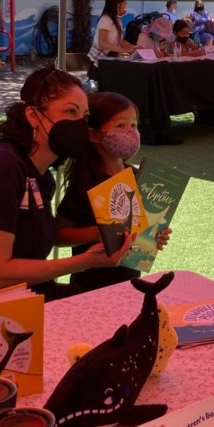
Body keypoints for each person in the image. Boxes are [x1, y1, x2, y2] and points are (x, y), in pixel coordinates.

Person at [0, 67, 132, 307]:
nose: (79, 125)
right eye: (70, 111)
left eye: (84, 116)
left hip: (26, 299)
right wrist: (85, 261)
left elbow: (48, 237)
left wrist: (107, 234)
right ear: (33, 116)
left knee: (116, 303)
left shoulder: (41, 177)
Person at [57, 91, 170, 293]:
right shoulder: (86, 182)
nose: (130, 132)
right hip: (89, 286)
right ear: (94, 134)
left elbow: (142, 230)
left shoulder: (138, 177)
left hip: (130, 282)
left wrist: (154, 236)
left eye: (133, 125)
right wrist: (99, 233)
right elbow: (59, 234)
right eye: (120, 126)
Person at [87, 0, 136, 78]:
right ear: (118, 5)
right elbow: (102, 42)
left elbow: (120, 41)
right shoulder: (106, 19)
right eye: (124, 5)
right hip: (99, 62)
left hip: (109, 60)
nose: (125, 8)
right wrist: (122, 50)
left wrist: (133, 47)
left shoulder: (117, 20)